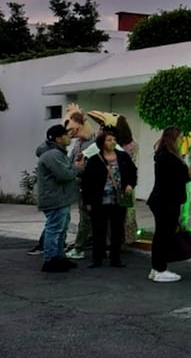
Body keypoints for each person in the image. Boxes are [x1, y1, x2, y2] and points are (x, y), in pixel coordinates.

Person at [147, 127, 191, 283]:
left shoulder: (162, 155)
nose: (182, 141)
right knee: (164, 235)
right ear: (173, 139)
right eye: (180, 138)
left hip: (161, 200)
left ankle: (156, 268)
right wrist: (190, 173)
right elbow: (176, 178)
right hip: (167, 202)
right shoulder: (169, 157)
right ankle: (160, 269)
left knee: (160, 235)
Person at [81, 126, 137, 268]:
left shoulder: (123, 157)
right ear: (102, 143)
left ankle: (115, 258)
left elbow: (133, 172)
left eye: (114, 140)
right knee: (99, 230)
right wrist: (87, 201)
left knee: (117, 229)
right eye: (109, 140)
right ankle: (97, 258)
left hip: (118, 198)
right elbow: (86, 181)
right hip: (99, 199)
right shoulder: (95, 160)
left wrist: (130, 184)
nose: (112, 142)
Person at [36, 125, 84, 273]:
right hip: (55, 198)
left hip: (60, 197)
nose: (69, 137)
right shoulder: (52, 155)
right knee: (55, 229)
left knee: (61, 229)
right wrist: (77, 167)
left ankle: (59, 257)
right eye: (66, 135)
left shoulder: (57, 153)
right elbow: (65, 175)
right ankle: (50, 260)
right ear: (58, 139)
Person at [64, 106, 95, 260]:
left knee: (86, 218)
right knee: (86, 217)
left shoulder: (93, 144)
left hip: (89, 186)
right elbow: (70, 162)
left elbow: (86, 167)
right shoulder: (78, 143)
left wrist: (76, 169)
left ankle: (79, 247)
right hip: (80, 185)